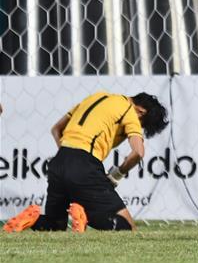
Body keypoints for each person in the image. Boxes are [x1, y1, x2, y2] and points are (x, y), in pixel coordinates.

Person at [3, 92, 169, 232]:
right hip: (84, 164)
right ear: (140, 111)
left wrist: (68, 156)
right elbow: (138, 153)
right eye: (142, 125)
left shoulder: (96, 97)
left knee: (55, 226)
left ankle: (33, 220)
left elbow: (56, 129)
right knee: (128, 227)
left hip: (59, 161)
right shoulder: (129, 111)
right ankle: (84, 215)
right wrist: (117, 175)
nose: (138, 128)